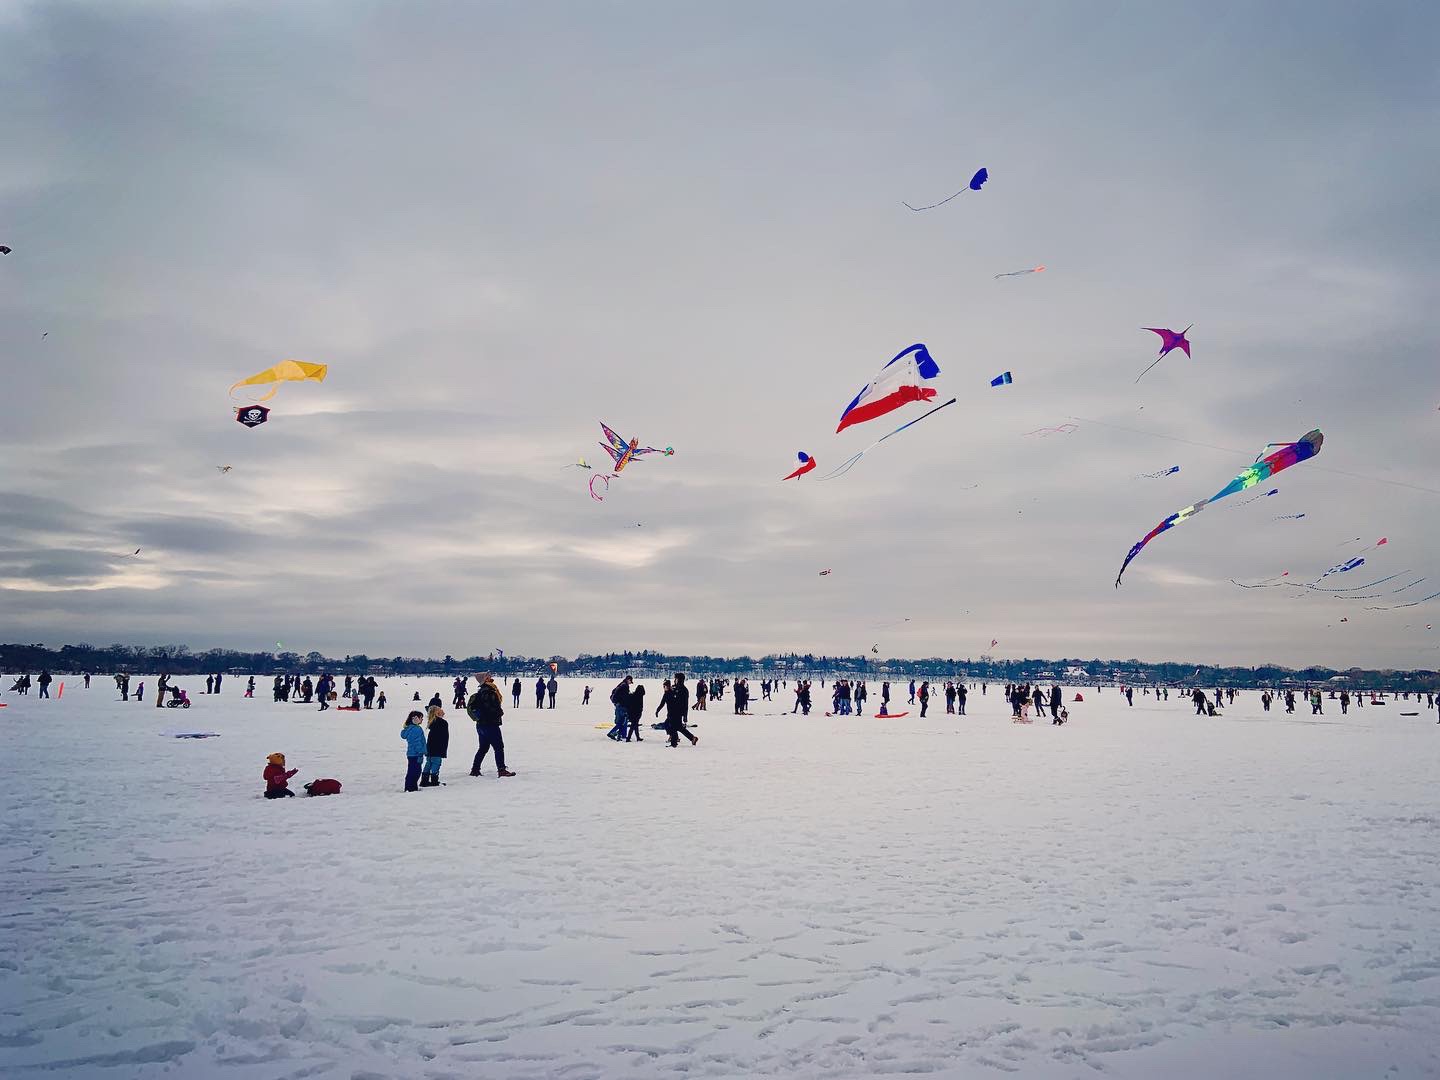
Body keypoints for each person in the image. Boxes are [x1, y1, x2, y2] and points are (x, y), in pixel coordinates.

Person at [468, 674, 515, 777]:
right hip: (490, 724)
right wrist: (499, 712)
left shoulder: (481, 691)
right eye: (488, 676)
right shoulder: (488, 691)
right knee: (498, 747)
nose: (490, 677)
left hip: (481, 725)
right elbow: (489, 708)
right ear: (485, 680)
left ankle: (475, 769)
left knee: (483, 748)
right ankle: (501, 770)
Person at [661, 672, 698, 747]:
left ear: (680, 680)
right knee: (678, 727)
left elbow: (685, 704)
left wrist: (685, 716)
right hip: (672, 711)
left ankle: (674, 742)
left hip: (678, 712)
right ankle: (692, 738)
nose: (675, 680)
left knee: (673, 726)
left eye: (676, 679)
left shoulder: (684, 690)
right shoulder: (675, 687)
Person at [423, 705, 449, 786]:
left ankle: (424, 780)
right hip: (437, 746)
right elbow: (443, 737)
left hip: (431, 746)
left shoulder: (432, 722)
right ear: (437, 713)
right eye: (441, 710)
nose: (443, 711)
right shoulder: (442, 722)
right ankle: (434, 780)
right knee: (436, 762)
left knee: (429, 762)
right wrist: (442, 748)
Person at [402, 711, 427, 792]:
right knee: (415, 772)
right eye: (421, 718)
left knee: (412, 771)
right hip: (416, 754)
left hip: (411, 754)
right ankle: (411, 788)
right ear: (415, 719)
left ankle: (411, 787)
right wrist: (421, 752)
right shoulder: (416, 729)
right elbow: (417, 742)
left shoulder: (410, 728)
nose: (422, 719)